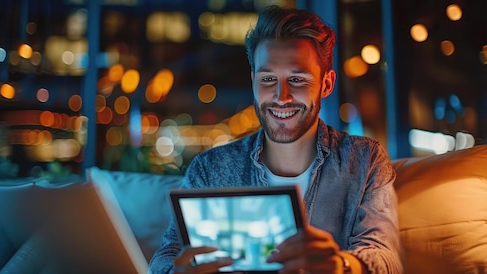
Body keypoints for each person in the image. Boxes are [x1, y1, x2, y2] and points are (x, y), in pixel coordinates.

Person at [149, 5, 402, 274]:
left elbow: (385, 258)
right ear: (253, 82)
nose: (282, 96)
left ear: (326, 84)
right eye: (268, 79)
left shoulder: (364, 160)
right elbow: (167, 254)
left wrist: (341, 265)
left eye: (297, 79)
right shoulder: (210, 169)